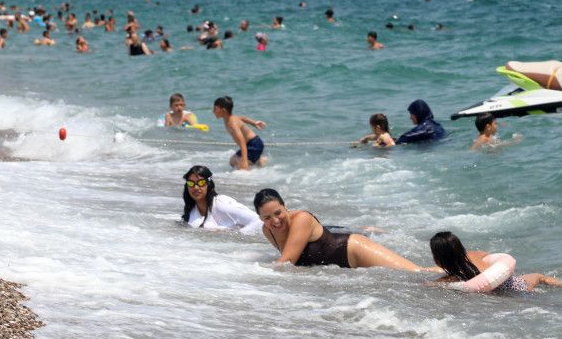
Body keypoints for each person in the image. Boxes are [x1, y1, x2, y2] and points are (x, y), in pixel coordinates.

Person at [254, 188, 425, 270]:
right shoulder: (267, 231)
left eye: (278, 213)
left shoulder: (302, 219)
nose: (275, 221)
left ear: (286, 208)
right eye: (267, 218)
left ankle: (450, 273)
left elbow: (286, 262)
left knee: (418, 273)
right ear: (261, 219)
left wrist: (249, 271)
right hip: (344, 264)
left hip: (354, 250)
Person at [429, 231, 562, 293]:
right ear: (461, 248)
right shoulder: (476, 255)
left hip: (500, 295)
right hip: (515, 286)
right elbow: (487, 256)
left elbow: (435, 286)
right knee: (539, 277)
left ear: (438, 259)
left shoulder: (450, 279)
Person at [180, 166, 261, 232]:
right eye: (191, 183)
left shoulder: (220, 204)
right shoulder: (191, 211)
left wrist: (236, 235)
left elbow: (258, 220)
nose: (196, 187)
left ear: (209, 184)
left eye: (201, 182)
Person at [213, 95, 267, 170]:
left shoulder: (232, 124)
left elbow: (242, 142)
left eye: (215, 109)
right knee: (232, 162)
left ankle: (259, 162)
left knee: (241, 168)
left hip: (254, 144)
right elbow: (243, 118)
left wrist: (244, 161)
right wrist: (254, 123)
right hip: (251, 144)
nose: (213, 111)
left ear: (223, 110)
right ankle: (259, 161)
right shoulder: (230, 118)